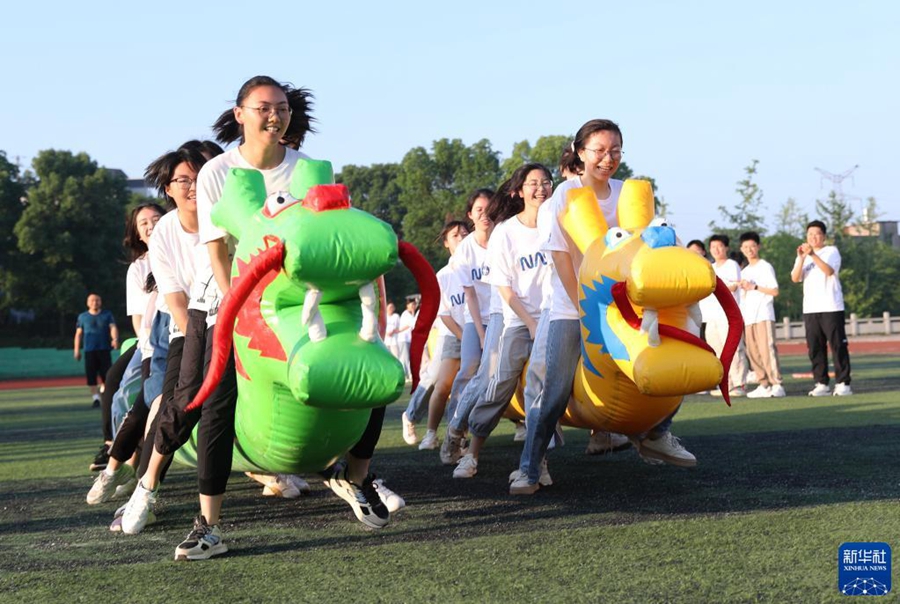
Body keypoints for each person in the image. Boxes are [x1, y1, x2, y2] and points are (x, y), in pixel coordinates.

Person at [511, 119, 694, 495]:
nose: (607, 159)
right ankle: (530, 467)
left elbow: (649, 243)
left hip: (626, 306)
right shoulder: (564, 195)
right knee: (555, 390)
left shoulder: (630, 193)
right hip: (571, 306)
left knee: (674, 360)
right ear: (580, 153)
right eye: (599, 151)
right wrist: (583, 304)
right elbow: (561, 257)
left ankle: (657, 433)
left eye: (615, 151)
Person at [452, 164, 551, 479]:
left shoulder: (560, 223)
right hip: (516, 320)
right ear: (520, 190)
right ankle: (471, 454)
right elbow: (505, 290)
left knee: (544, 387)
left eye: (546, 182)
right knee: (498, 384)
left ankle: (537, 462)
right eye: (533, 183)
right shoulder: (506, 232)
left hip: (554, 317)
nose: (540, 188)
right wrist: (531, 323)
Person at [86, 202, 165, 484]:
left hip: (177, 334)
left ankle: (131, 459)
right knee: (117, 388)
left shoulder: (181, 250)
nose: (151, 224)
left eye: (156, 218)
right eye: (143, 222)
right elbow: (138, 318)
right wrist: (146, 346)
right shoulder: (138, 269)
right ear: (138, 234)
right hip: (148, 339)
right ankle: (115, 448)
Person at [440, 188, 502, 465]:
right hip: (475, 317)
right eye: (479, 210)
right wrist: (479, 331)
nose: (485, 215)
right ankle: (455, 432)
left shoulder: (504, 237)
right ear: (470, 215)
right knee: (468, 370)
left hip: (503, 316)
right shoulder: (465, 249)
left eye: (489, 209)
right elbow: (470, 295)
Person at [404, 220, 469, 448]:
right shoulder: (443, 275)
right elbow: (443, 313)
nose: (461, 238)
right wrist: (464, 336)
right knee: (438, 381)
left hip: (477, 332)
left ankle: (458, 434)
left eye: (464, 233)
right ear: (445, 243)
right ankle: (417, 421)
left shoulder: (480, 264)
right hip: (451, 333)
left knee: (471, 384)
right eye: (455, 235)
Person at [790, 220, 852, 396]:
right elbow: (795, 278)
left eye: (816, 234)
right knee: (815, 347)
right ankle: (821, 383)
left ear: (823, 236)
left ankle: (843, 383)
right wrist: (802, 258)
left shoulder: (831, 251)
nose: (813, 237)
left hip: (831, 306)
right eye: (809, 235)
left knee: (837, 345)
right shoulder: (803, 256)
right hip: (811, 308)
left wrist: (813, 256)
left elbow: (829, 271)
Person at [738, 232, 786, 398]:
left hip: (763, 315)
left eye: (752, 246)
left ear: (758, 247)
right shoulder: (743, 271)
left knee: (767, 350)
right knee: (753, 352)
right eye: (745, 247)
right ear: (741, 249)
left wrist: (755, 287)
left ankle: (777, 384)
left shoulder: (765, 266)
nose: (749, 250)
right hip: (749, 317)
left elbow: (774, 291)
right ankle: (763, 384)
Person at [704, 234, 748, 397]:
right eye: (713, 247)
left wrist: (715, 288)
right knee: (717, 351)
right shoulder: (709, 267)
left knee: (734, 349)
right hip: (711, 315)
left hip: (728, 315)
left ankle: (739, 384)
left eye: (719, 246)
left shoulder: (732, 265)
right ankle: (726, 384)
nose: (716, 250)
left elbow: (733, 286)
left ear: (726, 248)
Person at [74, 294, 118, 407]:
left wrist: (115, 339)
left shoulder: (107, 315)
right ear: (88, 302)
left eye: (97, 300)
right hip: (89, 351)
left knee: (107, 375)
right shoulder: (82, 317)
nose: (95, 302)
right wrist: (76, 350)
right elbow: (78, 334)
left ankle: (104, 394)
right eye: (92, 300)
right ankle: (96, 398)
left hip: (104, 349)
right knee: (91, 375)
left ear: (101, 302)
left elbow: (112, 327)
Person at [397, 299, 418, 380]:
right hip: (403, 339)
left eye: (414, 304)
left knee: (408, 357)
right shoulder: (406, 314)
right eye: (412, 304)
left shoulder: (411, 314)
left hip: (409, 339)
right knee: (405, 358)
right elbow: (412, 324)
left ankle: (408, 374)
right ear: (407, 306)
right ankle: (406, 375)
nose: (413, 306)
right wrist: (413, 312)